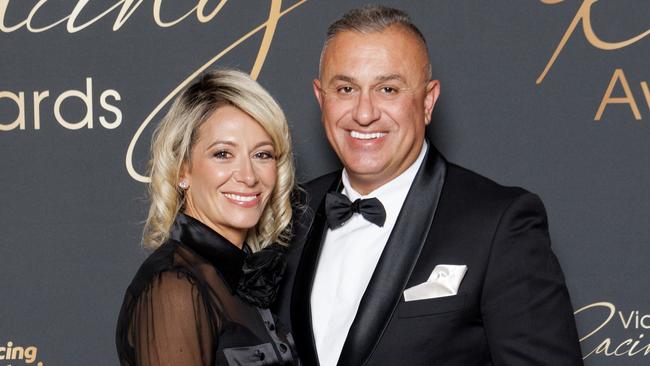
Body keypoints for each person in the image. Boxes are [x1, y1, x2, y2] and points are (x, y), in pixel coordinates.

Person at [275, 5, 583, 366]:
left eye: (388, 89)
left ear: (428, 101)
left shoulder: (499, 225)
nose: (363, 112)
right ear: (321, 98)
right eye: (345, 88)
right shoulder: (288, 214)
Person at [116, 69, 299, 365]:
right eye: (223, 154)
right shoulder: (174, 287)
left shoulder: (239, 276)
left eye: (262, 154)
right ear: (182, 170)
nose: (249, 176)